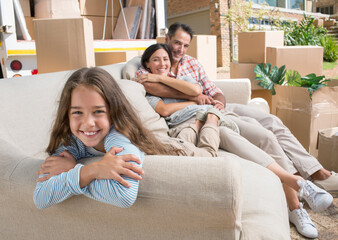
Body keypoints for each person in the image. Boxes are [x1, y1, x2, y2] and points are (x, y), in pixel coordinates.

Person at [135, 24, 337, 238]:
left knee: (271, 122)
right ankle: (296, 204)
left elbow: (212, 91)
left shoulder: (191, 64)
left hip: (215, 106)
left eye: (185, 45)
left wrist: (218, 103)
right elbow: (164, 93)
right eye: (177, 43)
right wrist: (193, 97)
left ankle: (315, 172)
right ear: (167, 39)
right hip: (200, 113)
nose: (180, 50)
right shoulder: (148, 67)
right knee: (264, 136)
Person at [34, 67, 176, 209]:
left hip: (177, 146)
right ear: (67, 115)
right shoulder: (71, 142)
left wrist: (77, 170)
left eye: (98, 111)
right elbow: (40, 198)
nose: (88, 123)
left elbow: (123, 196)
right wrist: (91, 170)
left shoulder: (119, 137)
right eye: (77, 112)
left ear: (113, 112)